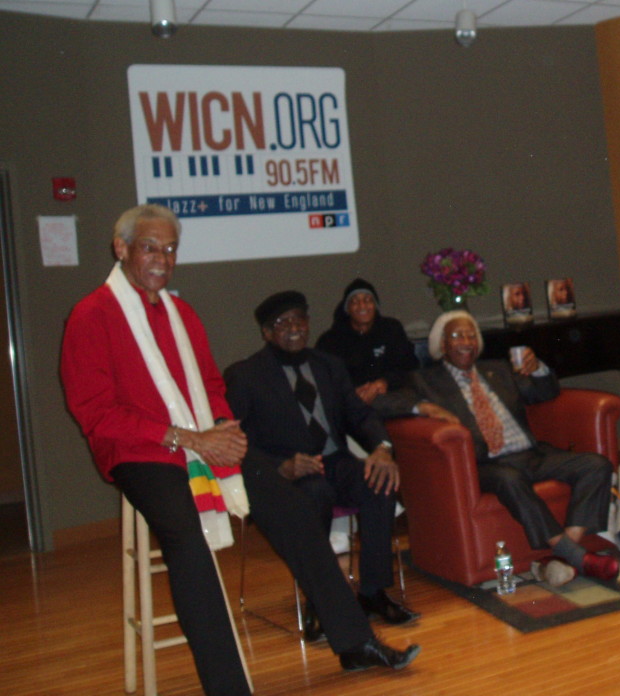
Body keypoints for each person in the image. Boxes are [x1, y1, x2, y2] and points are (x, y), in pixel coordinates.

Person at [60, 206, 418, 696]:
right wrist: (189, 439)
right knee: (188, 540)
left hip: (203, 442)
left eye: (170, 249)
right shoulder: (91, 315)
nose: (163, 259)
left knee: (291, 503)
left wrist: (224, 429)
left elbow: (209, 385)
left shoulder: (181, 313)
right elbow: (96, 413)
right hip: (140, 453)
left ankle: (354, 641)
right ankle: (227, 685)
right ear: (121, 249)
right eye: (150, 247)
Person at [224, 290, 418, 632]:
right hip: (287, 475)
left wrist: (383, 447)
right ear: (266, 333)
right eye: (282, 323)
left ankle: (373, 592)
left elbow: (360, 415)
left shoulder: (328, 365)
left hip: (335, 462)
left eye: (300, 320)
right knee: (315, 496)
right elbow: (236, 442)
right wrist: (280, 467)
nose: (294, 328)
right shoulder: (246, 375)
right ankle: (321, 600)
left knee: (379, 483)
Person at [391, 310, 620, 587]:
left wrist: (539, 370)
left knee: (596, 464)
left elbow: (544, 393)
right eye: (457, 335)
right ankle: (579, 557)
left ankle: (566, 555)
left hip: (530, 454)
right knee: (508, 478)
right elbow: (384, 404)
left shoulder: (498, 370)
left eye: (471, 334)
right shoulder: (424, 380)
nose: (466, 340)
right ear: (441, 345)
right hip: (485, 465)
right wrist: (423, 406)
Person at [314, 278, 419, 414]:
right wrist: (352, 392)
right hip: (350, 403)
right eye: (355, 301)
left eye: (368, 300)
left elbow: (410, 367)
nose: (362, 306)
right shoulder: (330, 340)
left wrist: (384, 382)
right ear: (347, 309)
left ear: (376, 305)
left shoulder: (391, 329)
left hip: (393, 397)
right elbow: (325, 379)